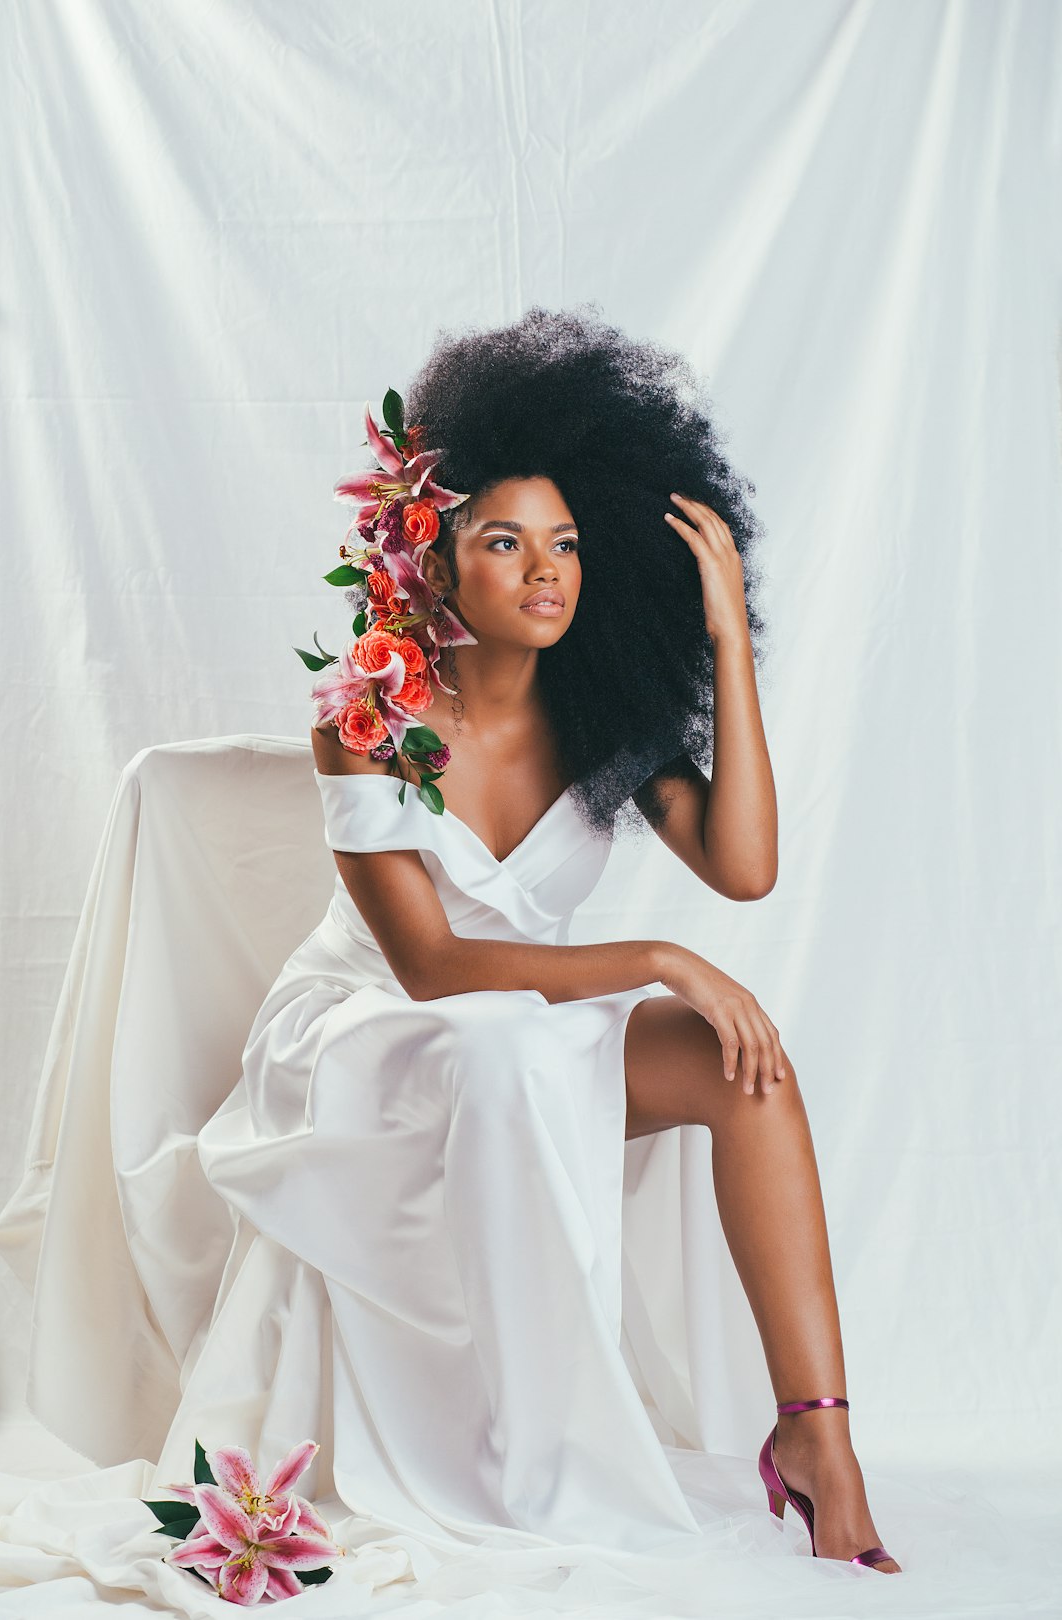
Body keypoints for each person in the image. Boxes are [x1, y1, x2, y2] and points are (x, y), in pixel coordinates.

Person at [186, 303, 899, 1591]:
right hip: (363, 1036)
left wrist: (726, 630)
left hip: (526, 1024)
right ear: (434, 555)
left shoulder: (606, 724)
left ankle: (818, 1444)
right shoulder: (371, 717)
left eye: (567, 544)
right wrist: (656, 962)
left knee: (750, 1066)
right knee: (504, 1048)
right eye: (504, 541)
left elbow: (745, 870)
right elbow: (434, 969)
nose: (545, 570)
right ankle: (530, 1456)